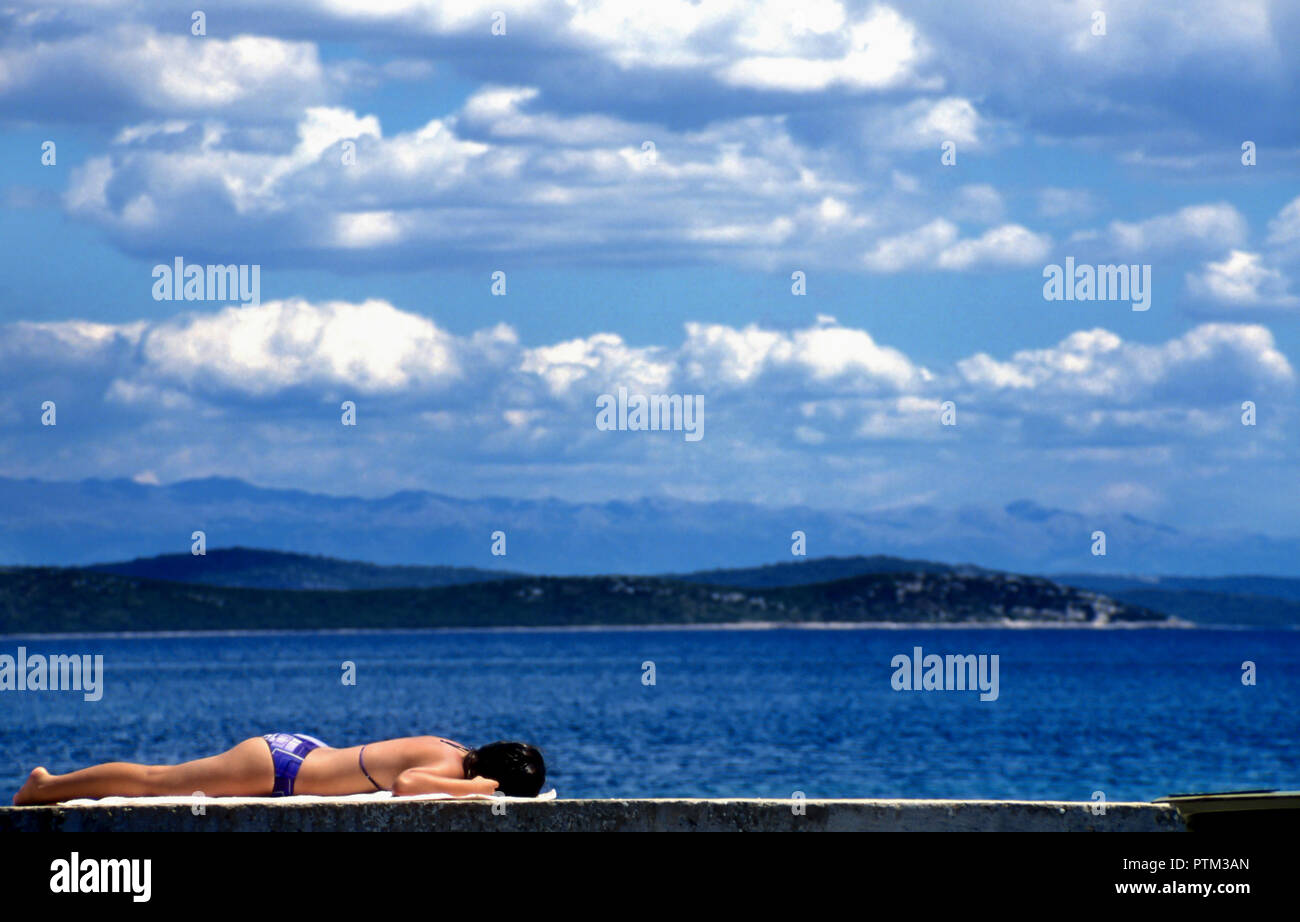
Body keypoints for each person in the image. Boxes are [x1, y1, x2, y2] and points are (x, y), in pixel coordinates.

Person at [12, 734, 545, 805]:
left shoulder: (453, 748)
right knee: (156, 782)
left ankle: (50, 783)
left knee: (158, 780)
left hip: (297, 756)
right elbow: (407, 787)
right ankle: (47, 785)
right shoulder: (451, 764)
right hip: (280, 766)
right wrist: (474, 790)